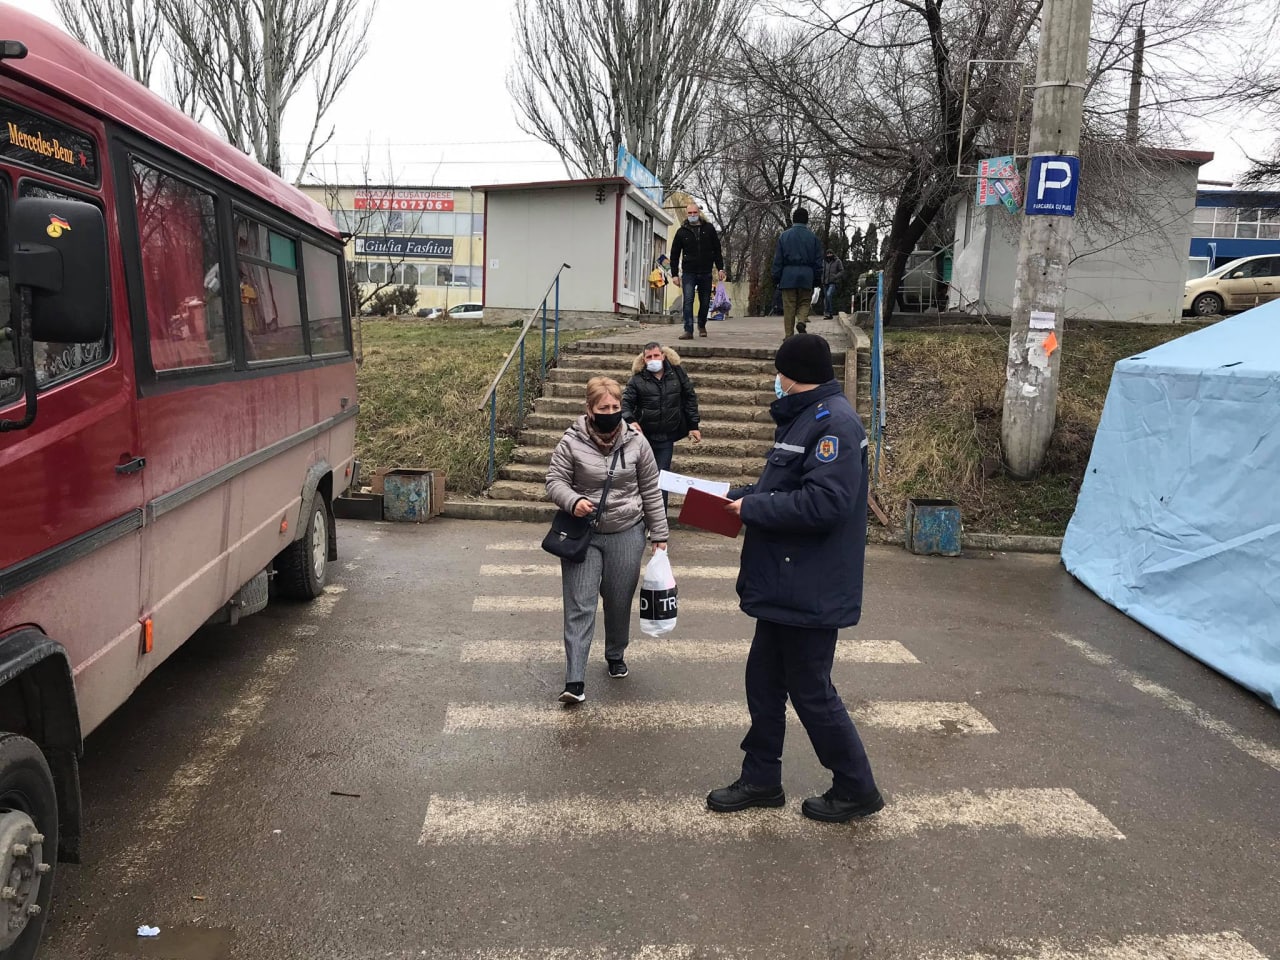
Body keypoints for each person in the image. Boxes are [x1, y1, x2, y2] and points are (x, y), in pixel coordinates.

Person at [706, 333, 884, 824]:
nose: (776, 380)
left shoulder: (833, 425)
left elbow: (825, 504)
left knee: (811, 691)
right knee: (763, 683)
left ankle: (856, 787)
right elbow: (783, 485)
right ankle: (761, 778)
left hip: (810, 587)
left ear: (791, 374)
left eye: (779, 372)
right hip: (786, 584)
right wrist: (735, 496)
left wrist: (753, 508)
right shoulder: (807, 417)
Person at [546, 376, 669, 705]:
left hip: (626, 532)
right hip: (582, 535)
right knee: (579, 605)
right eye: (603, 408)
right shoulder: (571, 441)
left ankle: (615, 653)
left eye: (615, 406)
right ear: (589, 409)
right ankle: (575, 680)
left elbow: (651, 489)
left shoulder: (637, 442)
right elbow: (555, 480)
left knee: (618, 600)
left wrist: (659, 534)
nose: (611, 413)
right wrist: (572, 500)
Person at [622, 342, 702, 508]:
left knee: (661, 478)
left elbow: (689, 398)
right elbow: (625, 404)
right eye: (649, 357)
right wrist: (631, 421)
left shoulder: (677, 374)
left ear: (663, 356)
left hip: (666, 437)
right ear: (644, 360)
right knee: (641, 477)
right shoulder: (636, 379)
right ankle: (639, 514)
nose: (653, 359)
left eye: (656, 355)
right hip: (643, 437)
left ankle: (659, 517)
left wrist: (693, 425)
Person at [669, 202, 726, 341]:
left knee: (705, 302)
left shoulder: (709, 229)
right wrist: (675, 274)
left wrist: (720, 268)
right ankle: (688, 330)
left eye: (695, 212)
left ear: (698, 213)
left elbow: (717, 250)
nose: (692, 215)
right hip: (689, 272)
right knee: (688, 300)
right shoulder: (682, 232)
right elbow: (674, 254)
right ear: (686, 214)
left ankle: (701, 325)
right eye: (690, 213)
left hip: (706, 271)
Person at [772, 207, 823, 339]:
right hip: (807, 275)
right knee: (805, 302)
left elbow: (778, 259)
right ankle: (801, 321)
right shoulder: (813, 238)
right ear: (807, 220)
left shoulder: (784, 236)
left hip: (788, 276)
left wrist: (776, 276)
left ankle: (789, 336)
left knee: (789, 307)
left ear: (793, 219)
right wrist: (817, 278)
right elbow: (818, 261)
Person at [822, 249, 845, 320]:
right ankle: (827, 313)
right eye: (828, 253)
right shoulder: (824, 261)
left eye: (830, 253)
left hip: (833, 282)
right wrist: (821, 279)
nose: (829, 254)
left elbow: (842, 271)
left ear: (833, 254)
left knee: (829, 295)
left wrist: (835, 276)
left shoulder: (837, 261)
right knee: (826, 298)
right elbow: (822, 270)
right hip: (825, 282)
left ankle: (830, 312)